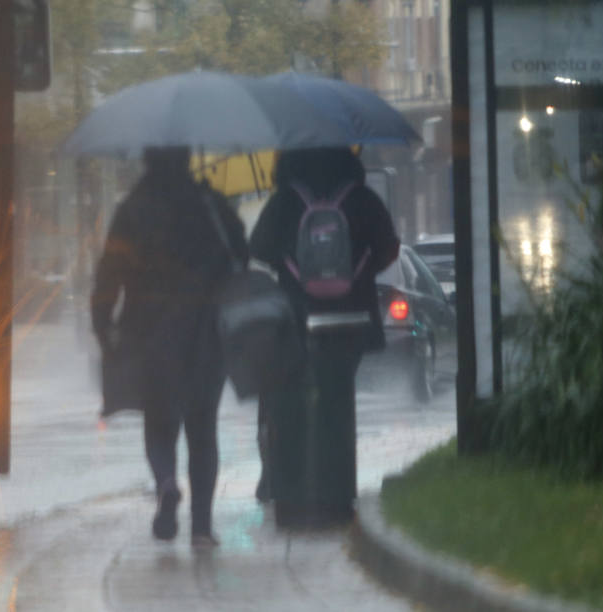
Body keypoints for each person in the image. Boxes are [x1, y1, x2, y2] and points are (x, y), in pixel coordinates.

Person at [90, 146, 247, 546]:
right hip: (206, 331)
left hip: (150, 332)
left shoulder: (133, 209)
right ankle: (201, 527)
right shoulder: (210, 204)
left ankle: (165, 483)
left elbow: (110, 271)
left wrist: (102, 323)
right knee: (202, 427)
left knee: (160, 420)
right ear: (187, 159)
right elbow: (241, 258)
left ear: (147, 159)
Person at [247, 146, 399, 518]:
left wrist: (290, 265)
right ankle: (337, 490)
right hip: (351, 320)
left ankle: (293, 493)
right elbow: (390, 248)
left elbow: (258, 247)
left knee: (292, 403)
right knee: (338, 401)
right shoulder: (361, 198)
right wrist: (356, 271)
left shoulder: (285, 200)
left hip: (297, 319)